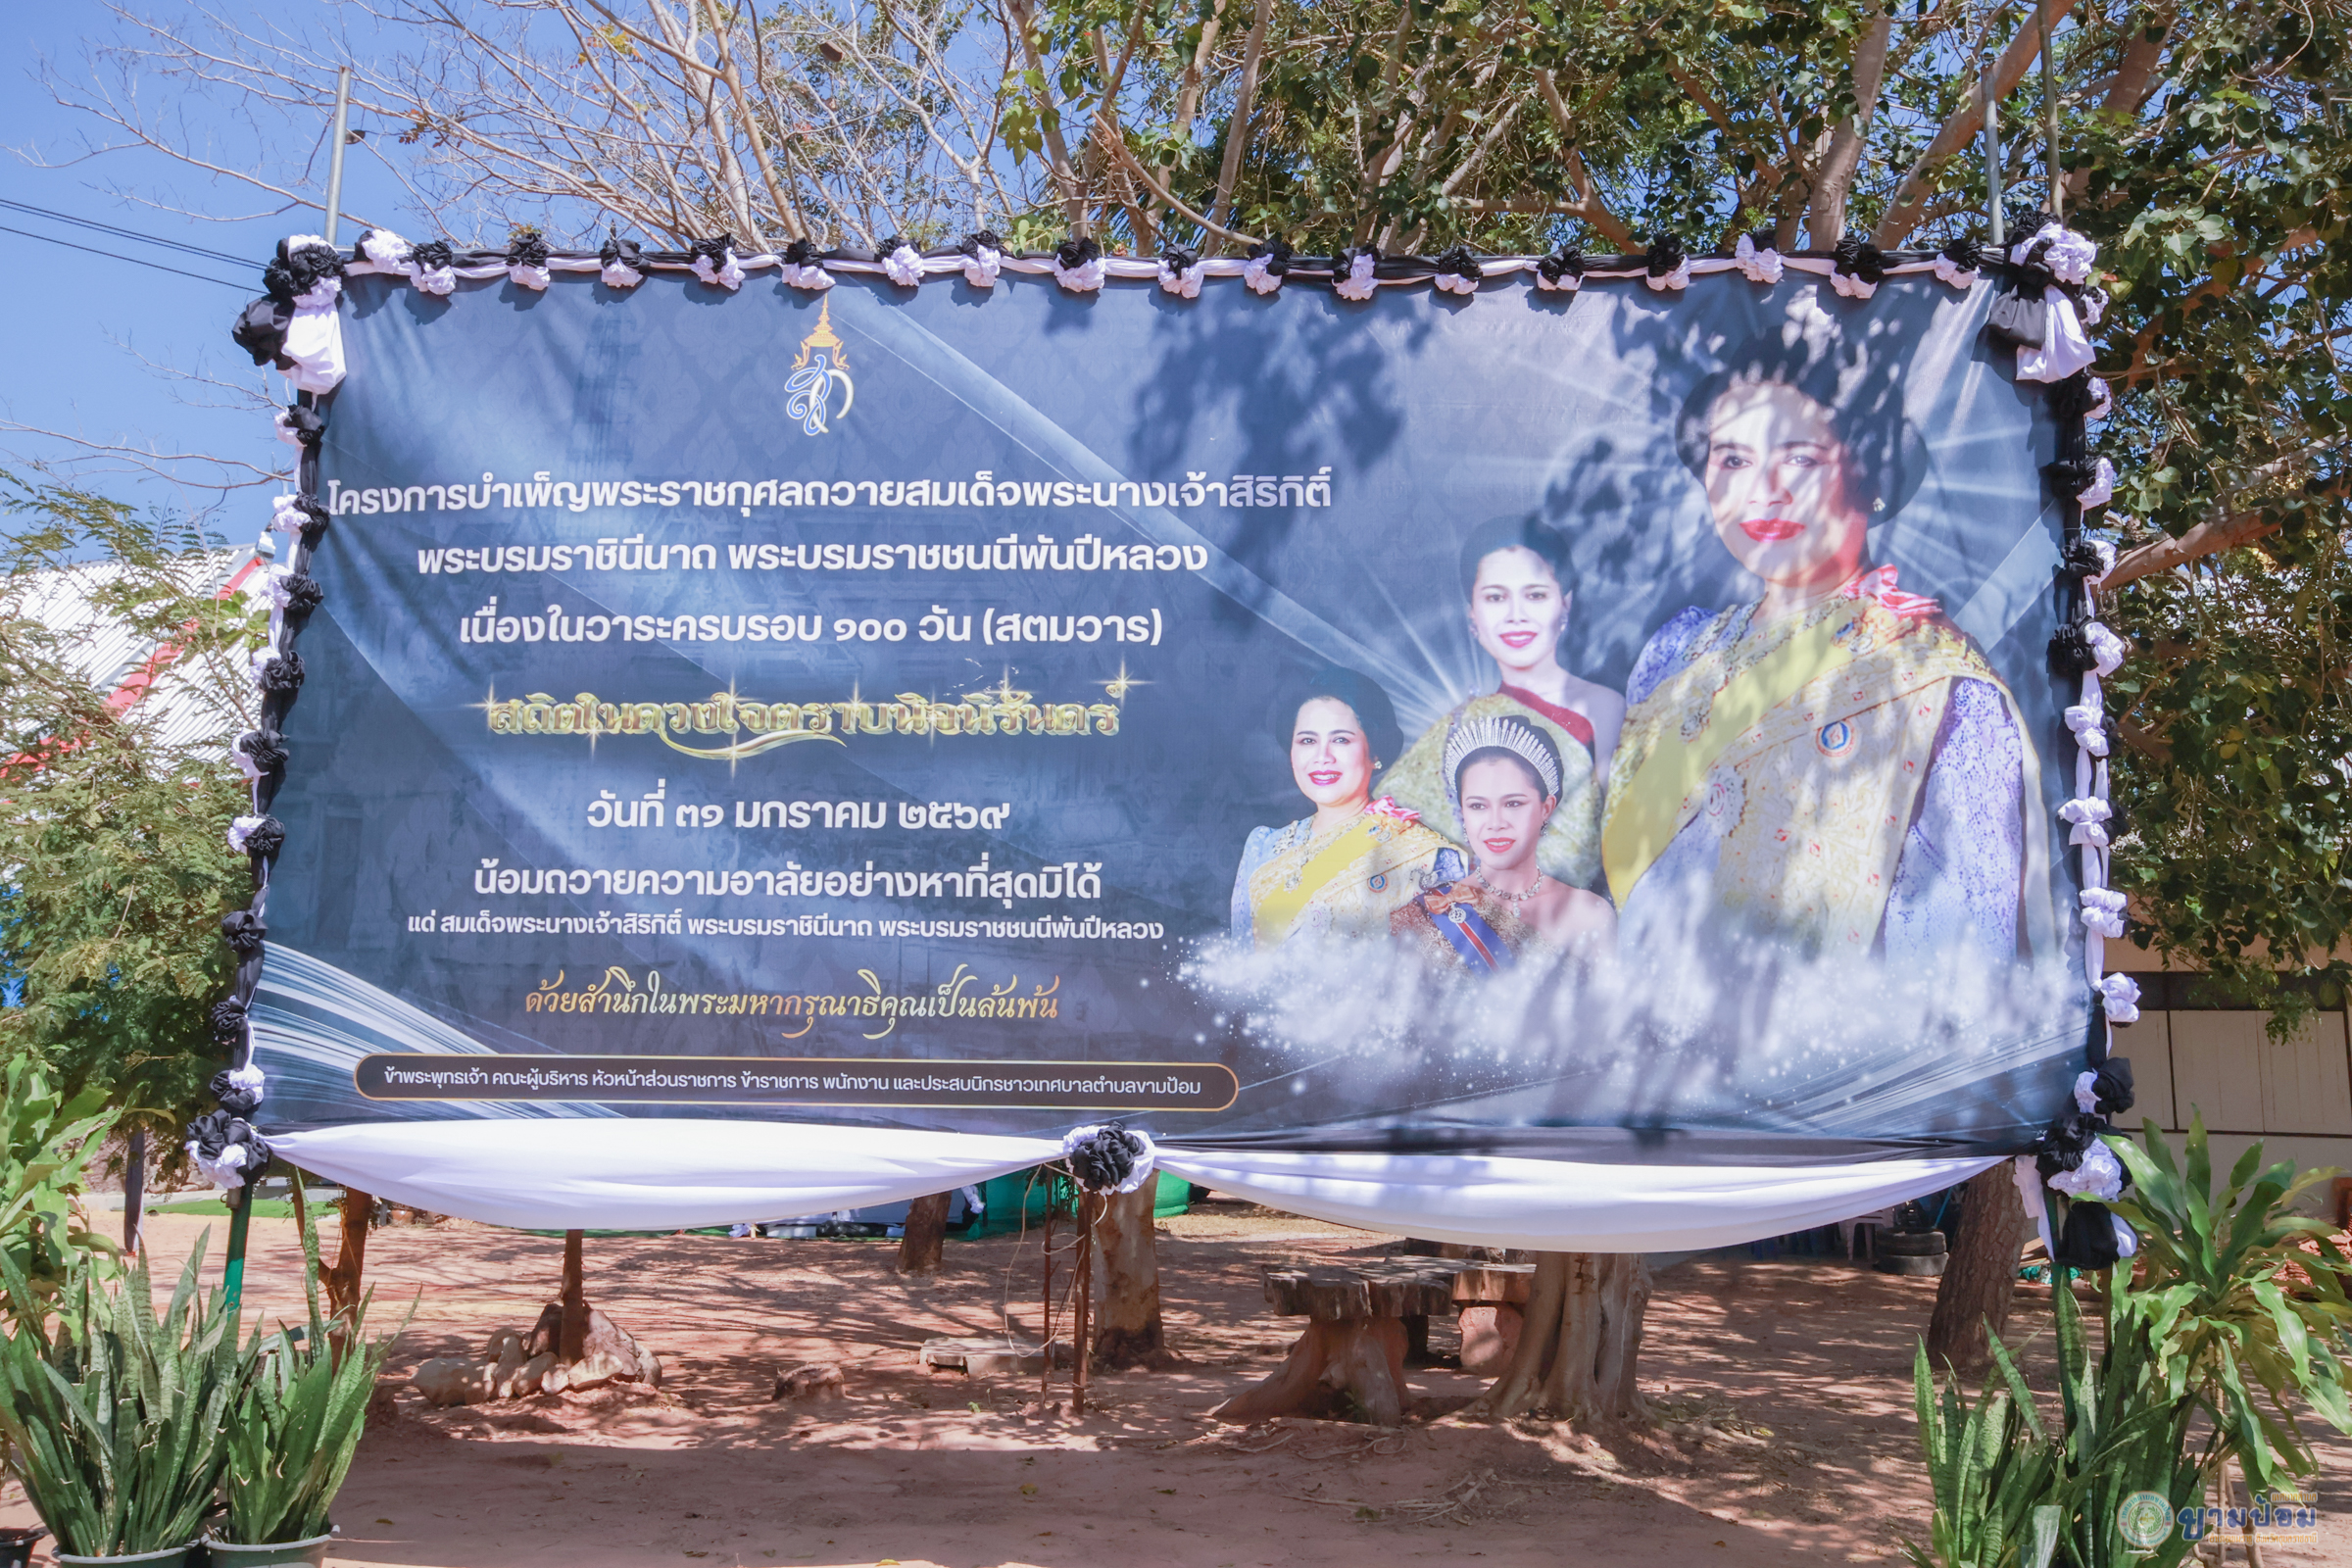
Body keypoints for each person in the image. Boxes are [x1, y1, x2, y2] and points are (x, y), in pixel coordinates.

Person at [1599, 331, 2050, 960]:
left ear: (1866, 473)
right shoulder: (1674, 653)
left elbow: (1963, 961)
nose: (1763, 489)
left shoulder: (1929, 674)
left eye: (1800, 459)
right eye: (1732, 460)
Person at [1383, 516, 1624, 894]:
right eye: (1496, 597)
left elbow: (1621, 843)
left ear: (1565, 604)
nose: (1516, 615)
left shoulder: (1603, 709)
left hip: (1576, 919)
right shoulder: (1455, 730)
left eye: (1535, 595)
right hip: (1464, 923)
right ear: (1472, 615)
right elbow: (1389, 838)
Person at [1231, 666, 1464, 947]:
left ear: (1374, 751)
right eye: (1307, 740)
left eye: (1340, 740)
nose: (1322, 757)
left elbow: (1448, 967)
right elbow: (1239, 961)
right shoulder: (1262, 847)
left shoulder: (1422, 854)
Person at [1392, 714, 1615, 971]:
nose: (1495, 823)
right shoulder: (1424, 916)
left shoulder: (1590, 913)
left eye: (1513, 803)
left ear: (1546, 808)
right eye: (1478, 806)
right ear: (1463, 812)